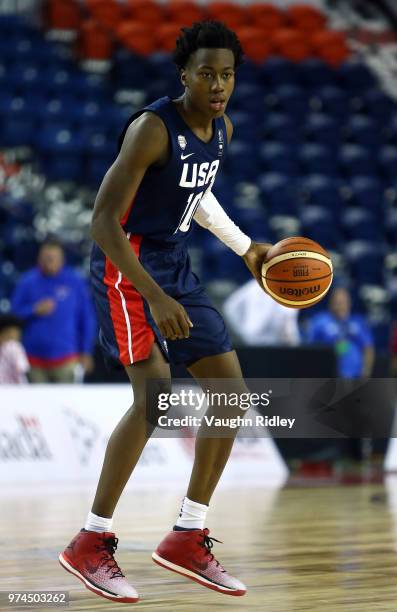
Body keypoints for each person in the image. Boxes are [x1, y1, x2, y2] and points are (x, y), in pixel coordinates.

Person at [59, 21, 271, 603]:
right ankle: (90, 540)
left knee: (230, 395)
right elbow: (102, 222)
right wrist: (153, 293)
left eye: (227, 74)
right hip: (125, 268)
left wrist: (246, 247)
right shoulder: (153, 129)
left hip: (175, 265)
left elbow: (195, 195)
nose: (218, 83)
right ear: (185, 75)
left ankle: (188, 533)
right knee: (154, 397)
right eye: (206, 73)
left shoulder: (220, 128)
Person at [11, 239, 96, 383]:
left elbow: (87, 319)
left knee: (67, 404)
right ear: (39, 258)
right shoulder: (27, 282)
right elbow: (13, 314)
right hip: (33, 360)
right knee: (36, 405)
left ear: (61, 260)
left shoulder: (75, 282)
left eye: (52, 258)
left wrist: (86, 351)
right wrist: (33, 309)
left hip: (67, 359)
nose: (48, 262)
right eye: (45, 258)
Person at [306, 286, 374, 378]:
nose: (341, 306)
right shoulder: (320, 322)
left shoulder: (358, 322)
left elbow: (368, 348)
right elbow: (310, 350)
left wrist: (365, 374)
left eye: (343, 302)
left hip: (355, 379)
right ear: (331, 304)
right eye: (337, 302)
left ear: (349, 303)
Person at [223, 278, 300, 346]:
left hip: (273, 342)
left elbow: (287, 318)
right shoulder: (254, 286)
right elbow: (230, 306)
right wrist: (242, 329)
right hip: (258, 341)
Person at [0, 313, 29, 384]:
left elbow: (22, 367)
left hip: (14, 388)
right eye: (8, 334)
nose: (13, 337)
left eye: (16, 334)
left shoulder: (15, 347)